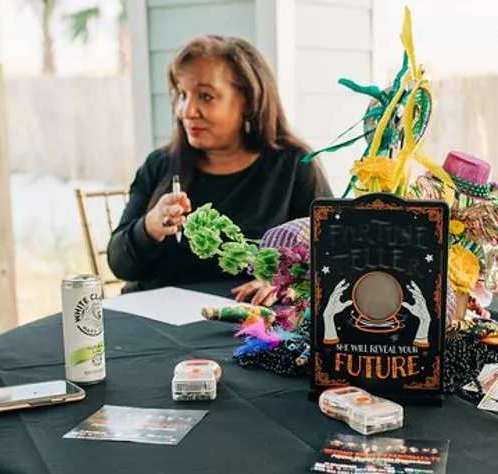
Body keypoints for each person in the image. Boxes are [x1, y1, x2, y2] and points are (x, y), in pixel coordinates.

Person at [107, 35, 331, 305]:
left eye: (205, 96)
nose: (187, 111)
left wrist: (283, 282)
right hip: (151, 322)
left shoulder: (294, 166)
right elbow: (120, 265)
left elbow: (330, 253)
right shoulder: (160, 165)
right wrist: (150, 226)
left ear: (247, 101)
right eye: (182, 94)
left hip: (244, 326)